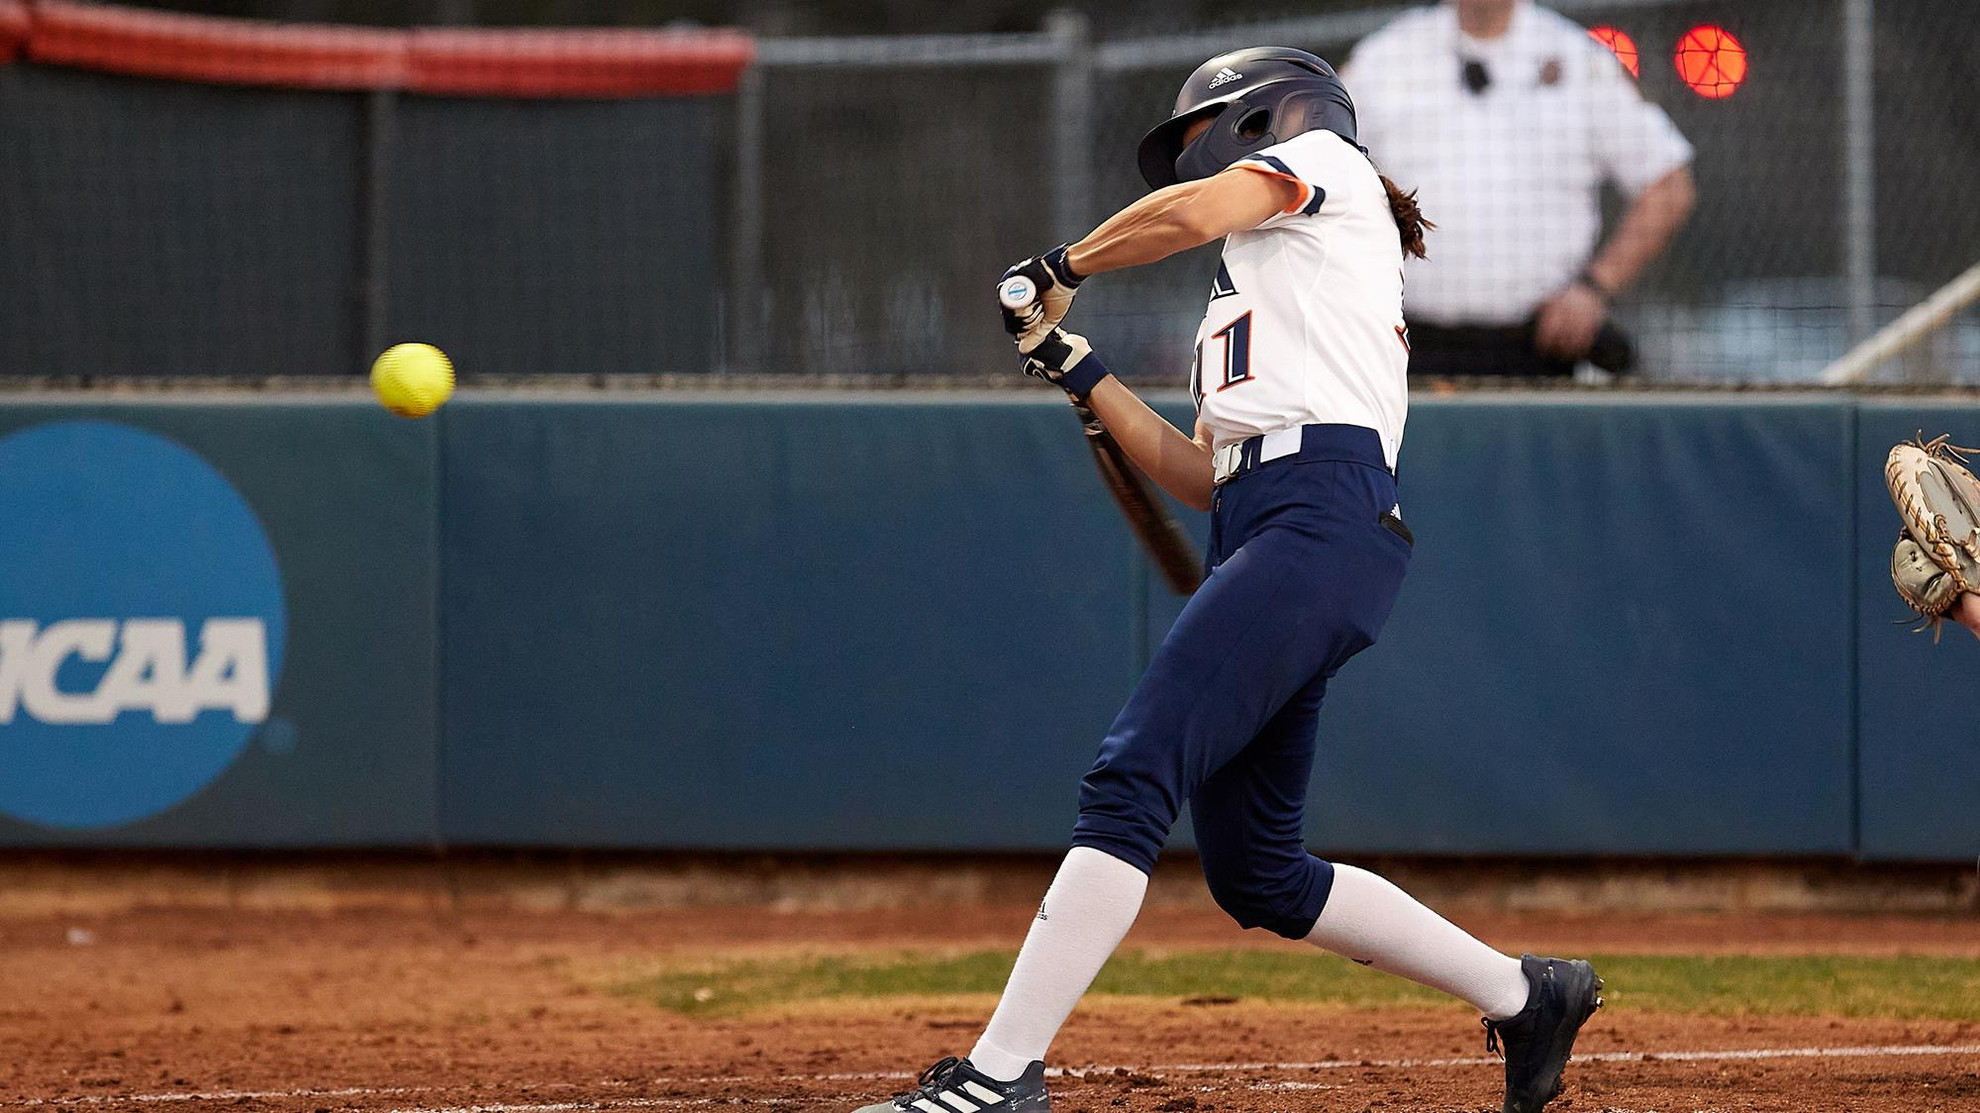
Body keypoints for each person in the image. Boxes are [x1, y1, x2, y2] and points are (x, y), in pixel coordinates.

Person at [851, 47, 1601, 1113]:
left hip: (1320, 516)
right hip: (1267, 524)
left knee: (1131, 775)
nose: (1193, 158)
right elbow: (1199, 475)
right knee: (1256, 871)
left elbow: (1197, 210)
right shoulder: (1260, 287)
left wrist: (1063, 264)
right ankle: (1528, 995)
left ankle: (1001, 1075)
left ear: (1269, 118)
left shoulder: (1327, 165)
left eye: (1206, 135)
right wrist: (1078, 365)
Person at [1341, 0, 1697, 377]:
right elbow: (1318, 170)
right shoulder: (1385, 58)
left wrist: (1594, 288)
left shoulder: (1578, 59)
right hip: (1405, 346)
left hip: (1540, 348)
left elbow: (1669, 187)